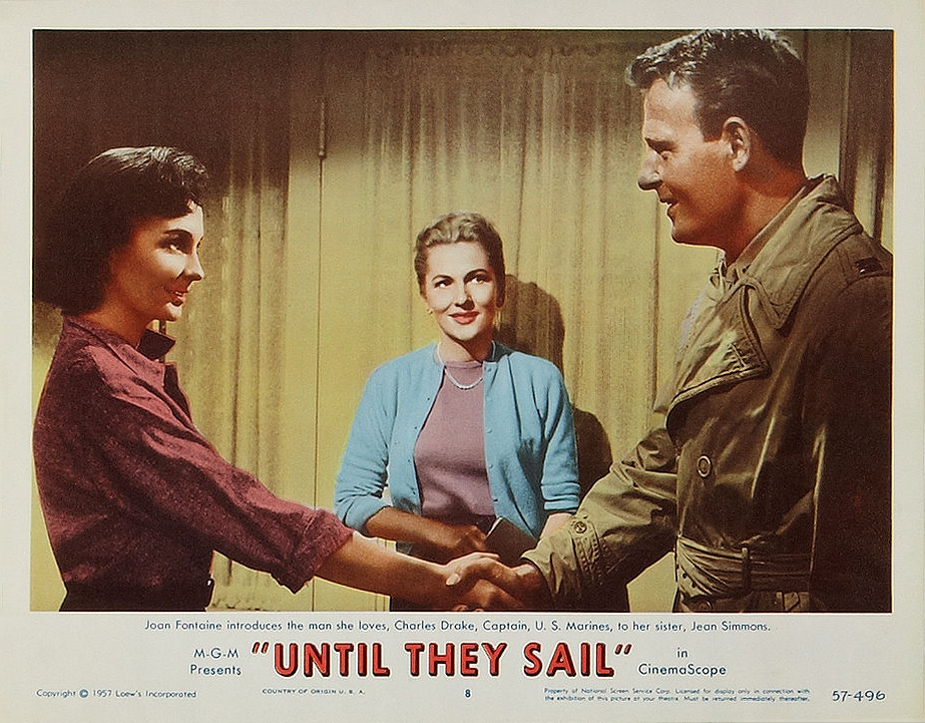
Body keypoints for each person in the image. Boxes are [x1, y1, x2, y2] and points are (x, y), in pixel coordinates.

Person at [453, 29, 892, 613]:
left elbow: (862, 581)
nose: (646, 174)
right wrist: (538, 575)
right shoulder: (736, 283)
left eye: (663, 150)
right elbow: (666, 467)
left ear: (737, 143)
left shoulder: (857, 304)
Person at [32, 146, 518, 612]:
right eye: (175, 243)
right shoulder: (101, 379)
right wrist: (438, 584)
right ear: (105, 246)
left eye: (198, 247)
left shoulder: (114, 365)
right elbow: (244, 511)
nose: (197, 270)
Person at [333, 211, 580, 607]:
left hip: (514, 593)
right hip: (421, 590)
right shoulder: (390, 382)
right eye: (443, 283)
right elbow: (352, 501)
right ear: (425, 297)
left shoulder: (541, 381)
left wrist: (521, 582)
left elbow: (563, 506)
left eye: (477, 278)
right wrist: (441, 535)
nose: (461, 298)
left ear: (499, 292)